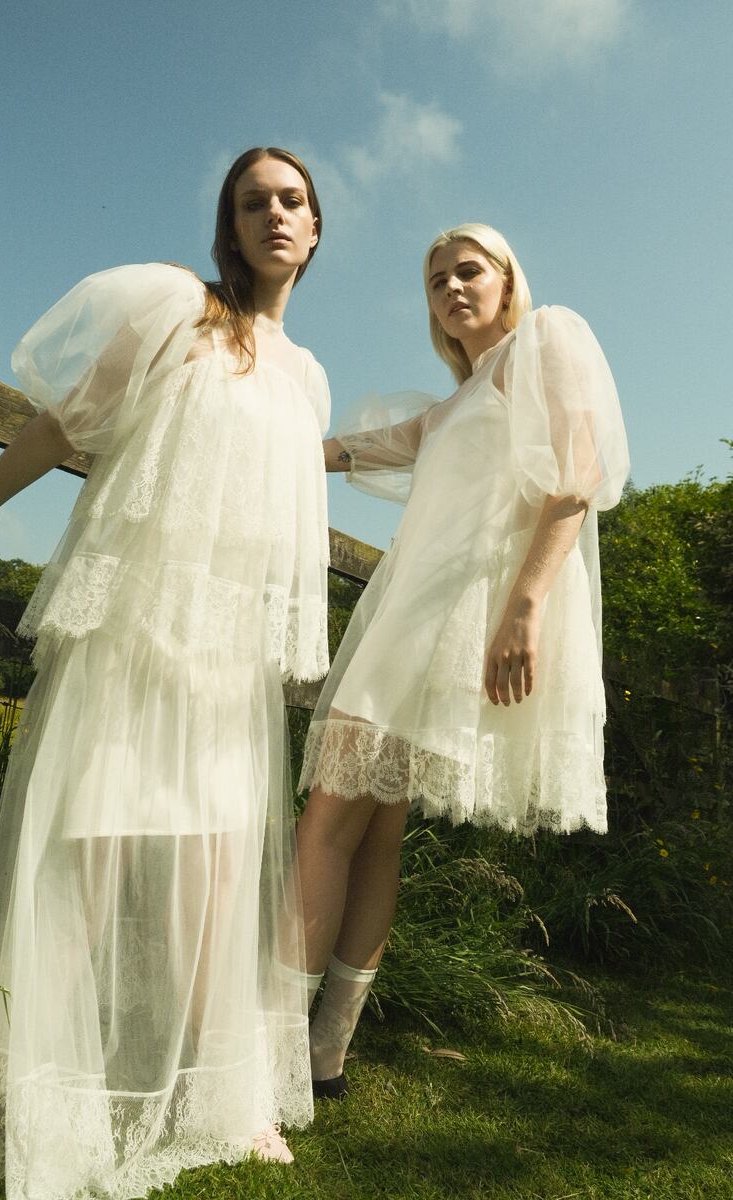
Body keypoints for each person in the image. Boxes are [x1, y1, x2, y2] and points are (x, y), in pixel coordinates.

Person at [0, 146, 330, 1196]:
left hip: (223, 657)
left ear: (316, 227)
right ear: (229, 226)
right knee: (92, 850)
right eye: (253, 201)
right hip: (134, 626)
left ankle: (221, 1096)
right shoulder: (177, 312)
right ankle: (48, 1099)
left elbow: (287, 528)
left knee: (212, 876)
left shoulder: (308, 377)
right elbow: (60, 424)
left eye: (291, 200)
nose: (274, 214)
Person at [295, 223, 630, 1098]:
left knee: (331, 814)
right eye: (435, 278)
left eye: (468, 269)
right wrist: (244, 435)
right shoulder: (457, 403)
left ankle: (270, 1046)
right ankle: (322, 1055)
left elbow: (578, 477)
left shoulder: (546, 343)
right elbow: (348, 451)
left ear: (510, 277)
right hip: (410, 614)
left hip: (463, 618)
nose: (450, 286)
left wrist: (526, 606)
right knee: (370, 830)